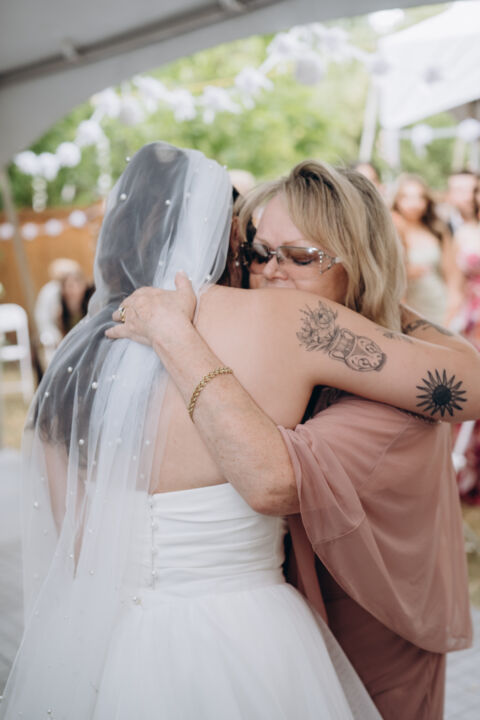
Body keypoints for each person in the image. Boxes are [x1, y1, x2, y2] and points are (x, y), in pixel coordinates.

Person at [1, 142, 390, 720]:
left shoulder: (72, 369)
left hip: (112, 641)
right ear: (218, 243)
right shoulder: (268, 326)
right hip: (248, 630)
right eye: (250, 248)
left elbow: (76, 548)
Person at [108, 161, 479, 719]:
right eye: (259, 254)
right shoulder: (274, 338)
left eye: (301, 257)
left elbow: (468, 383)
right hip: (283, 628)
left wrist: (175, 336)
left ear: (361, 264)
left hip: (373, 634)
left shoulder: (382, 401)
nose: (273, 273)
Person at [391, 173, 462, 325]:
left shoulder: (437, 229)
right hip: (409, 312)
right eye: (406, 197)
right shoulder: (392, 230)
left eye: (419, 197)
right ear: (397, 200)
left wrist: (453, 305)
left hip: (440, 305)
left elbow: (452, 274)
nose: (414, 204)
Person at [453, 176, 480, 503]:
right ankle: (466, 475)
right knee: (471, 388)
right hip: (471, 320)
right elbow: (454, 283)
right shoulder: (463, 232)